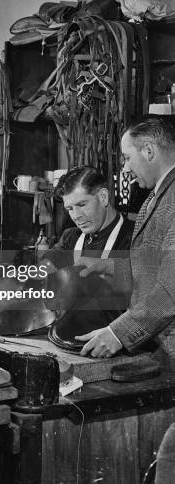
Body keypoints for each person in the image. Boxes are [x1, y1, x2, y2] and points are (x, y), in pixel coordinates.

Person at [77, 115, 175, 364]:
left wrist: (117, 334)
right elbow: (157, 270)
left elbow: (171, 291)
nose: (126, 168)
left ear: (149, 151)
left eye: (128, 157)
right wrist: (110, 268)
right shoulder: (158, 195)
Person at [39, 166, 134, 345]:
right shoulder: (71, 237)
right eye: (70, 208)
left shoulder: (134, 236)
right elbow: (48, 262)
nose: (77, 216)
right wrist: (44, 272)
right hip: (71, 338)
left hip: (117, 342)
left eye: (82, 205)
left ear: (103, 197)